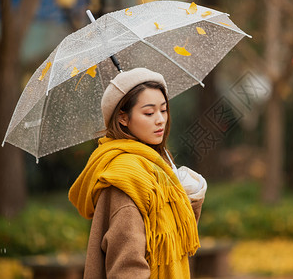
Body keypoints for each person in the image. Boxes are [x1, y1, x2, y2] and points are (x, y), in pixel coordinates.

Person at [68, 67, 207, 279]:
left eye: (163, 110)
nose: (160, 119)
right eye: (149, 113)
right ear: (123, 118)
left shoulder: (155, 167)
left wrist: (190, 196)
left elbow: (177, 245)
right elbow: (127, 268)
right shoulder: (126, 176)